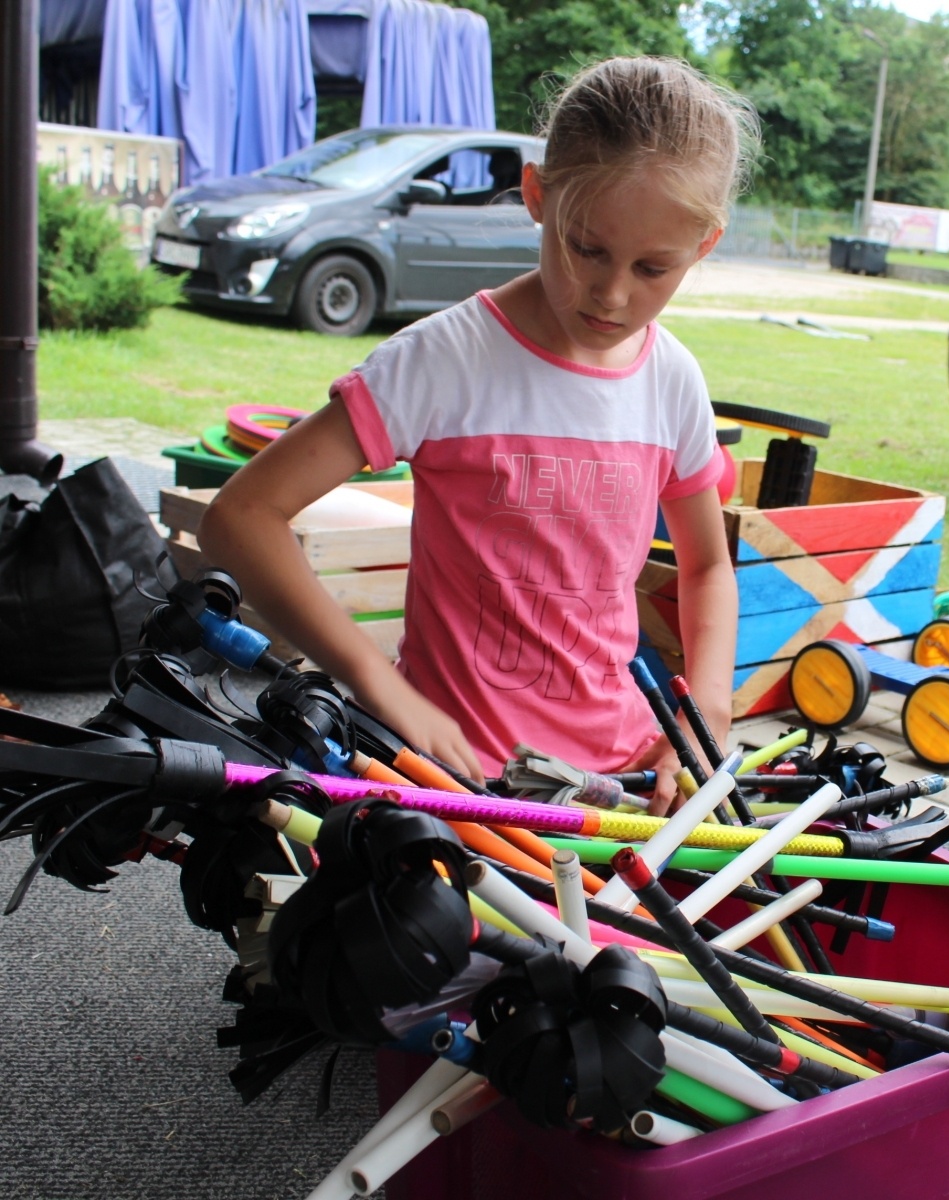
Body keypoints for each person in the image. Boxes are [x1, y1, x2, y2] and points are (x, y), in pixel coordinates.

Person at [198, 57, 759, 813]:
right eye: (586, 248)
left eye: (653, 268)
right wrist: (380, 686)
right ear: (537, 195)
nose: (613, 293)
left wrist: (706, 713)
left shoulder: (673, 380)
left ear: (703, 247)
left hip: (621, 780)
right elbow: (240, 516)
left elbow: (705, 570)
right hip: (463, 775)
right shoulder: (443, 359)